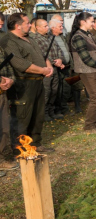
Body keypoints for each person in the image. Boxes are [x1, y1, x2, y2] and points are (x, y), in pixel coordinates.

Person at [2, 13, 54, 153]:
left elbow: (42, 55)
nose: (30, 25)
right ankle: (20, 149)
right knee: (22, 117)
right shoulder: (9, 40)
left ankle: (35, 143)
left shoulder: (29, 38)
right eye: (27, 23)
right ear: (18, 26)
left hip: (38, 82)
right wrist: (43, 70)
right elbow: (21, 64)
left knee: (38, 114)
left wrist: (48, 66)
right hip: (23, 85)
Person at [69, 12, 96, 134]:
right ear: (83, 22)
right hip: (87, 71)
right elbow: (85, 58)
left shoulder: (89, 35)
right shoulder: (78, 37)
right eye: (91, 21)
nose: (93, 23)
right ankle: (89, 125)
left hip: (94, 70)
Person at [29, 19, 65, 121]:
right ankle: (43, 113)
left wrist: (60, 59)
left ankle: (51, 111)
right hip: (45, 69)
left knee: (54, 90)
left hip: (55, 68)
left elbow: (58, 50)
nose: (47, 28)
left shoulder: (50, 37)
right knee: (46, 91)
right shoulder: (35, 39)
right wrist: (54, 62)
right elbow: (41, 55)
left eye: (47, 26)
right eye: (44, 26)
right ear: (37, 27)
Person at [0, 44, 17, 171]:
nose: (1, 25)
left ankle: (1, 159)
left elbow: (7, 64)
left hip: (2, 93)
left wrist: (11, 79)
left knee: (4, 126)